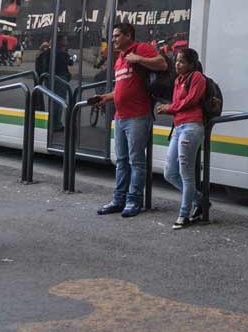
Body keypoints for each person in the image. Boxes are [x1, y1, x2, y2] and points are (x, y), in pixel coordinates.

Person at [87, 22, 168, 217]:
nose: (113, 39)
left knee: (136, 161)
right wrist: (105, 98)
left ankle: (134, 201)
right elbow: (121, 88)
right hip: (121, 117)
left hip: (138, 116)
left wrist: (138, 58)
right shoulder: (120, 59)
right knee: (121, 161)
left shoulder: (140, 49)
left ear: (128, 36)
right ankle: (118, 199)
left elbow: (163, 64)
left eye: (116, 36)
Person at [160, 47, 209, 229]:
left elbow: (191, 100)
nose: (177, 64)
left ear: (191, 64)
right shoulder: (178, 80)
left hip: (191, 127)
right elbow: (178, 103)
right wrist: (170, 108)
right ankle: (201, 201)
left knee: (186, 174)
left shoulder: (197, 77)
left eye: (181, 61)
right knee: (169, 173)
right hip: (179, 127)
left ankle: (183, 215)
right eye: (176, 60)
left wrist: (169, 108)